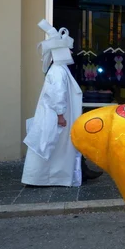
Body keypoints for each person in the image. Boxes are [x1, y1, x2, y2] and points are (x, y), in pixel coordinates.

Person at [22, 20, 84, 187]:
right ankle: (49, 177)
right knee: (53, 145)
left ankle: (43, 177)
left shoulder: (59, 69)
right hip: (57, 116)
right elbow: (57, 94)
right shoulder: (58, 70)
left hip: (56, 115)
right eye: (68, 49)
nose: (71, 52)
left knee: (52, 145)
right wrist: (60, 114)